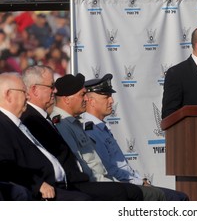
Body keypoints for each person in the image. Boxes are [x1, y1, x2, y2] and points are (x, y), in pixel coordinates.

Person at [21, 65, 143, 201]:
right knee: (127, 192)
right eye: (51, 86)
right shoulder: (34, 119)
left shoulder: (47, 118)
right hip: (71, 183)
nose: (55, 91)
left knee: (130, 191)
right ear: (34, 90)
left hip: (83, 180)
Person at [51, 73, 162, 200]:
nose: (86, 99)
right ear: (66, 99)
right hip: (89, 184)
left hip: (102, 181)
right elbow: (81, 166)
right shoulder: (62, 123)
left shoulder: (75, 123)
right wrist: (114, 184)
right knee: (151, 195)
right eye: (82, 95)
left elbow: (97, 165)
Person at [83, 73, 189, 200]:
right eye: (106, 97)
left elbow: (121, 167)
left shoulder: (100, 128)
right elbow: (111, 170)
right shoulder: (90, 130)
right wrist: (139, 183)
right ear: (91, 101)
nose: (112, 101)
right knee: (179, 199)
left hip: (130, 184)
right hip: (121, 189)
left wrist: (140, 181)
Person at [0, 72, 91, 200]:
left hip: (54, 186)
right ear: (9, 95)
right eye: (23, 92)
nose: (27, 96)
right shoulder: (3, 124)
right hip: (35, 192)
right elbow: (5, 166)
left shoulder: (16, 123)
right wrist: (38, 185)